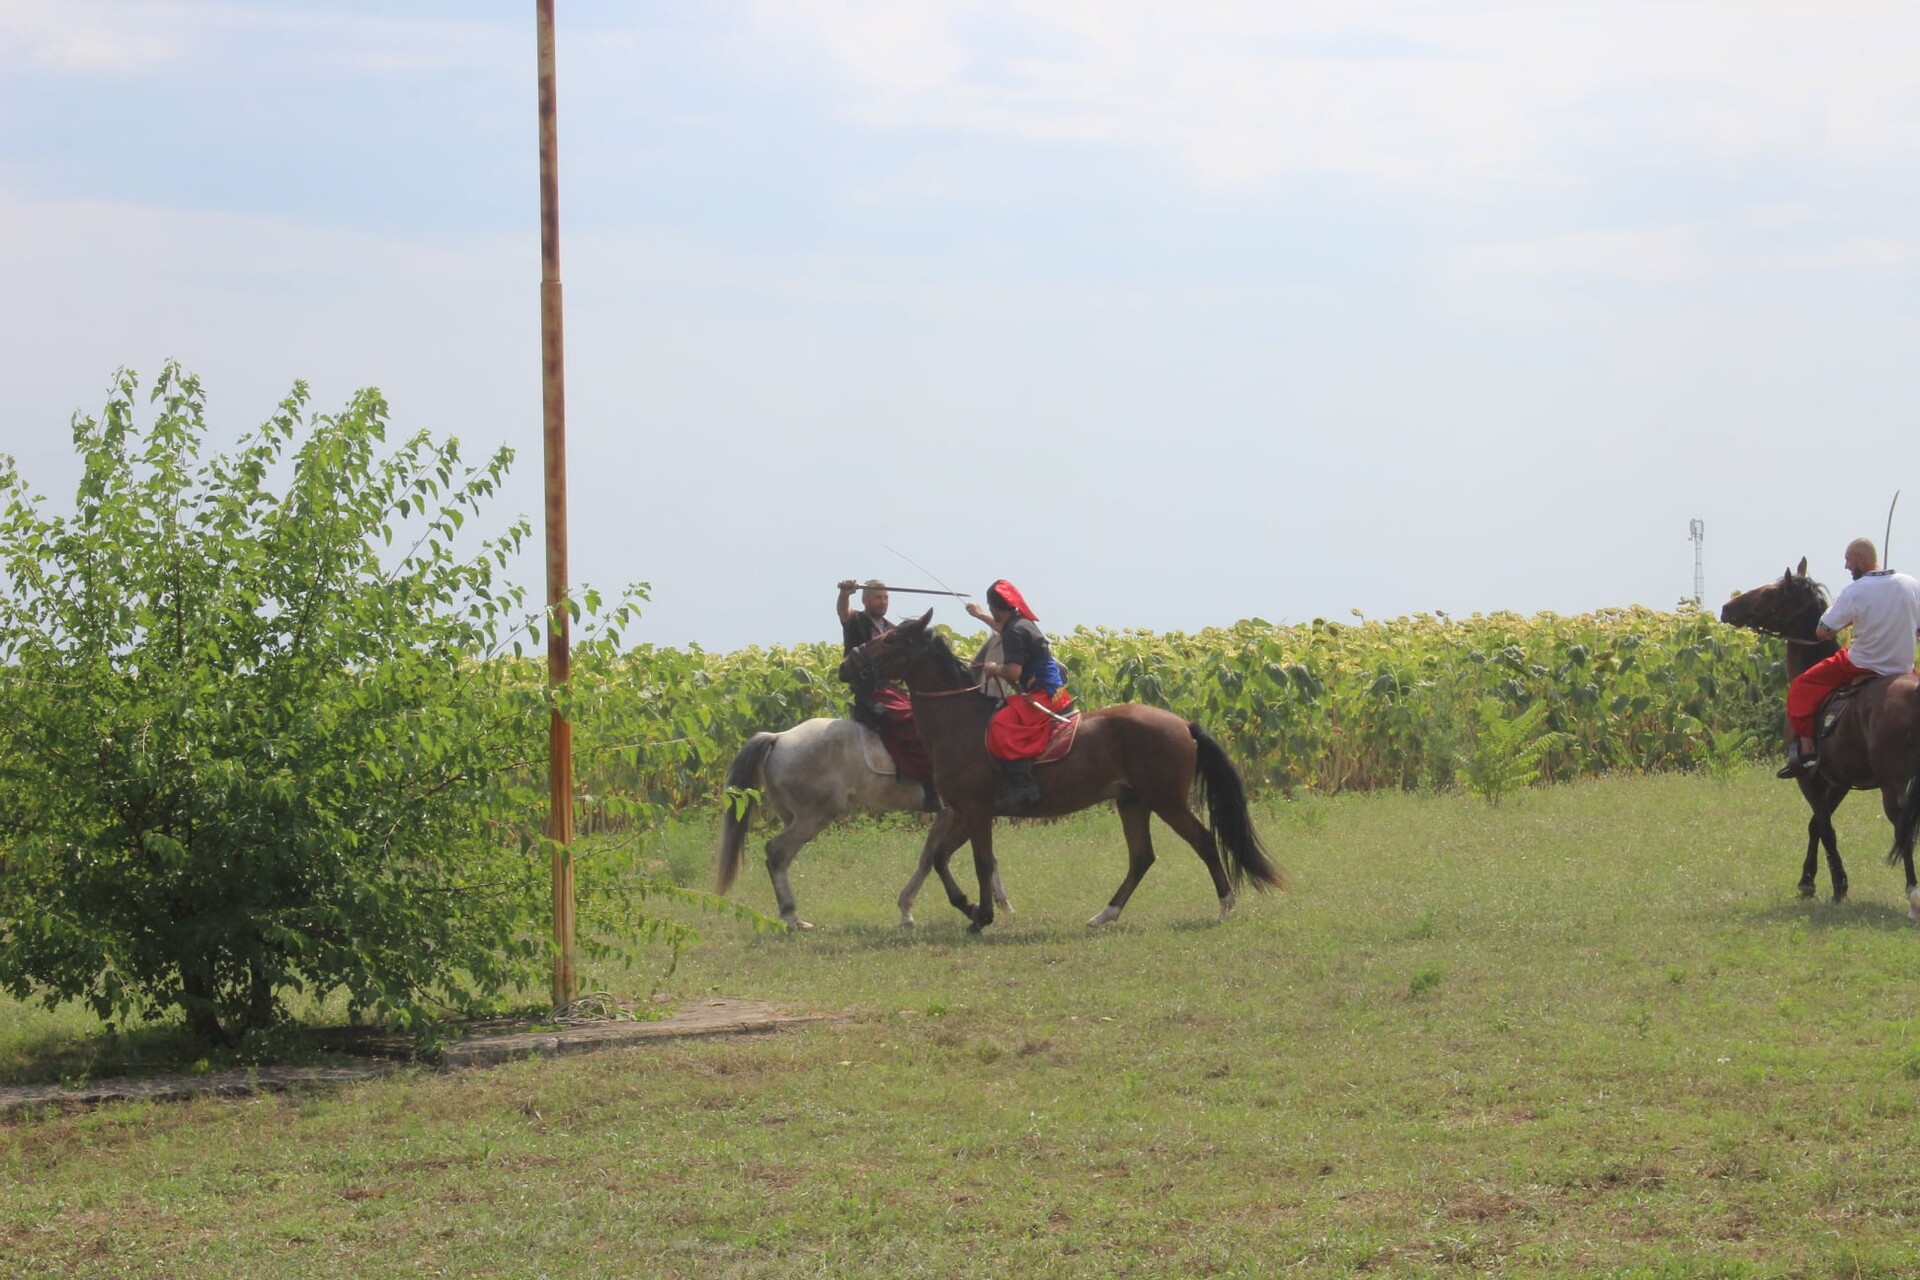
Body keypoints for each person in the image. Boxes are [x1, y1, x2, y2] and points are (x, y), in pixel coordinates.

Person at [1779, 538, 1920, 778]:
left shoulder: (1855, 591)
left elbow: (1823, 630)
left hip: (1861, 664)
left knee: (1801, 686)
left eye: (1848, 560)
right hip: (1903, 667)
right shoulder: (1911, 584)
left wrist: (1850, 619)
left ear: (1861, 560)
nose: (1846, 566)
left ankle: (1807, 750)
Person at [836, 579, 938, 807]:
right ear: (865, 600)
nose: (882, 602)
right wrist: (845, 593)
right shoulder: (858, 622)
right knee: (914, 722)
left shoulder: (892, 629)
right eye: (877, 598)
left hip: (894, 691)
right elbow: (843, 611)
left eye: (885, 598)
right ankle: (928, 783)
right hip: (871, 693)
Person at [978, 579, 1072, 807]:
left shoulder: (1014, 632)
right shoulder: (1021, 623)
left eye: (989, 608)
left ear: (995, 607)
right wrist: (979, 616)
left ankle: (1024, 786)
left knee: (1000, 724)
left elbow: (1012, 671)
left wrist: (993, 668)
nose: (990, 611)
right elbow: (1003, 628)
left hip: (1044, 694)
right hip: (1049, 689)